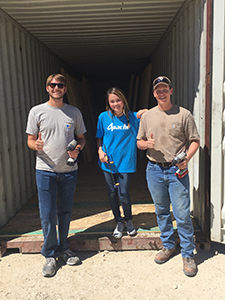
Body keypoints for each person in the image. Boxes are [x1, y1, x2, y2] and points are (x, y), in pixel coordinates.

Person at [137, 76, 200, 277]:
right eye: (158, 90)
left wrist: (186, 159)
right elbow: (139, 141)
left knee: (181, 213)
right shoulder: (147, 116)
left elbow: (195, 141)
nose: (161, 93)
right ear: (154, 93)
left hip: (176, 171)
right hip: (154, 169)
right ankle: (168, 245)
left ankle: (188, 254)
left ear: (171, 91)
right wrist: (146, 145)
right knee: (162, 211)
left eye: (165, 89)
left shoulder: (184, 114)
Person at [26, 74, 86, 277]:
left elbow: (81, 138)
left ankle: (64, 248)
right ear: (47, 88)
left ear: (65, 89)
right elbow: (30, 140)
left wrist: (77, 148)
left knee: (65, 212)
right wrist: (36, 145)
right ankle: (50, 254)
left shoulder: (74, 112)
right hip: (45, 170)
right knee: (48, 214)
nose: (56, 88)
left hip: (69, 170)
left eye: (60, 85)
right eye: (53, 85)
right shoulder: (37, 111)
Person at [96, 87, 147, 239]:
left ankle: (129, 220)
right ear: (108, 103)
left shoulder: (133, 117)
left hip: (125, 162)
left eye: (118, 100)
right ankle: (119, 221)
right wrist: (100, 151)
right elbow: (99, 137)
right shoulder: (103, 117)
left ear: (123, 100)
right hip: (108, 163)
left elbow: (151, 115)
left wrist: (146, 112)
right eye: (112, 101)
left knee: (123, 193)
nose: (115, 104)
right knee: (112, 193)